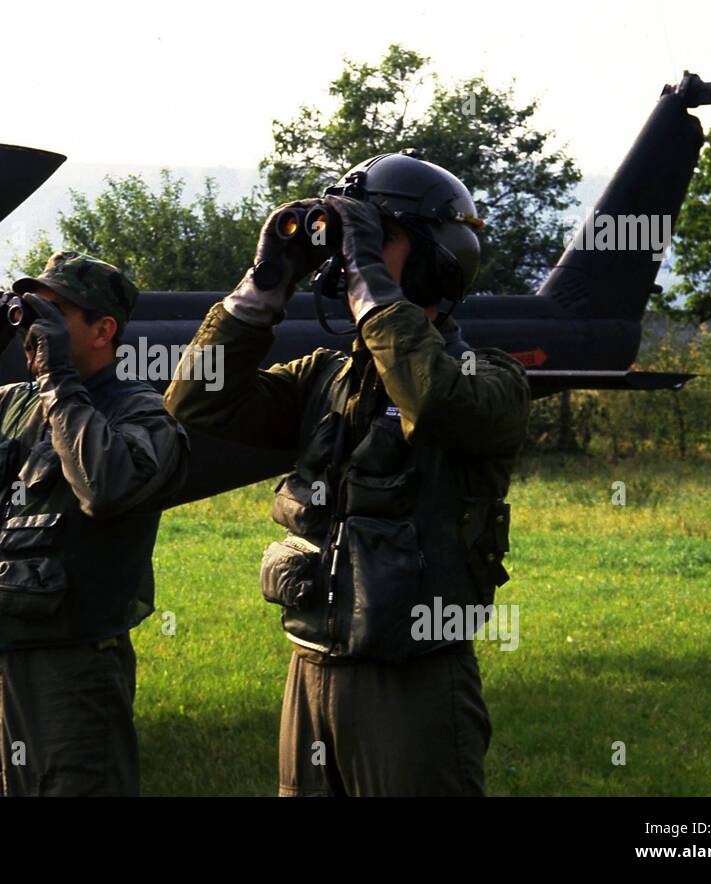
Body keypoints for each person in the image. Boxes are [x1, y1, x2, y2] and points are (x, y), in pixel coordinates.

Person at [165, 152, 530, 796]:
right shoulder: (326, 378)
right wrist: (264, 284)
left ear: (430, 258)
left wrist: (370, 285)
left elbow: (432, 397)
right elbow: (198, 398)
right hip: (310, 667)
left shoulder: (490, 379)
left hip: (412, 681)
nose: (347, 255)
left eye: (374, 236)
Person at [0, 251, 189, 796]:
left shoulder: (140, 413)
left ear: (103, 330)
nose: (33, 331)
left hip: (71, 671)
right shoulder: (10, 406)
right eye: (29, 313)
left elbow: (104, 488)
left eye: (53, 315)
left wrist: (58, 378)